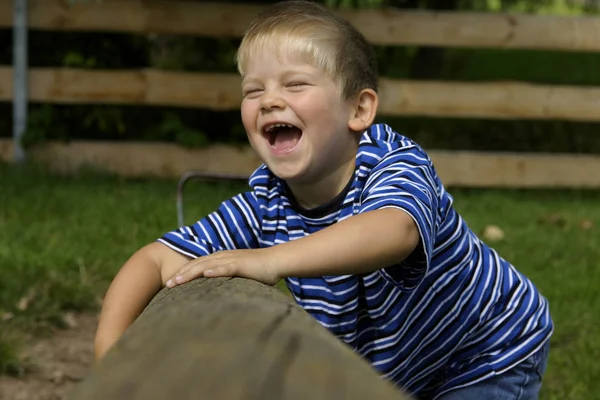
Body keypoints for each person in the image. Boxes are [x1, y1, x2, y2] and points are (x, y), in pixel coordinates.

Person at [94, 1, 553, 399]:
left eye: (295, 85)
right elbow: (155, 259)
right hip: (400, 367)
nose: (270, 100)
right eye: (254, 90)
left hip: (485, 349)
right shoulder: (267, 201)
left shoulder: (393, 162)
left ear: (359, 110)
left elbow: (394, 230)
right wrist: (110, 363)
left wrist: (270, 261)